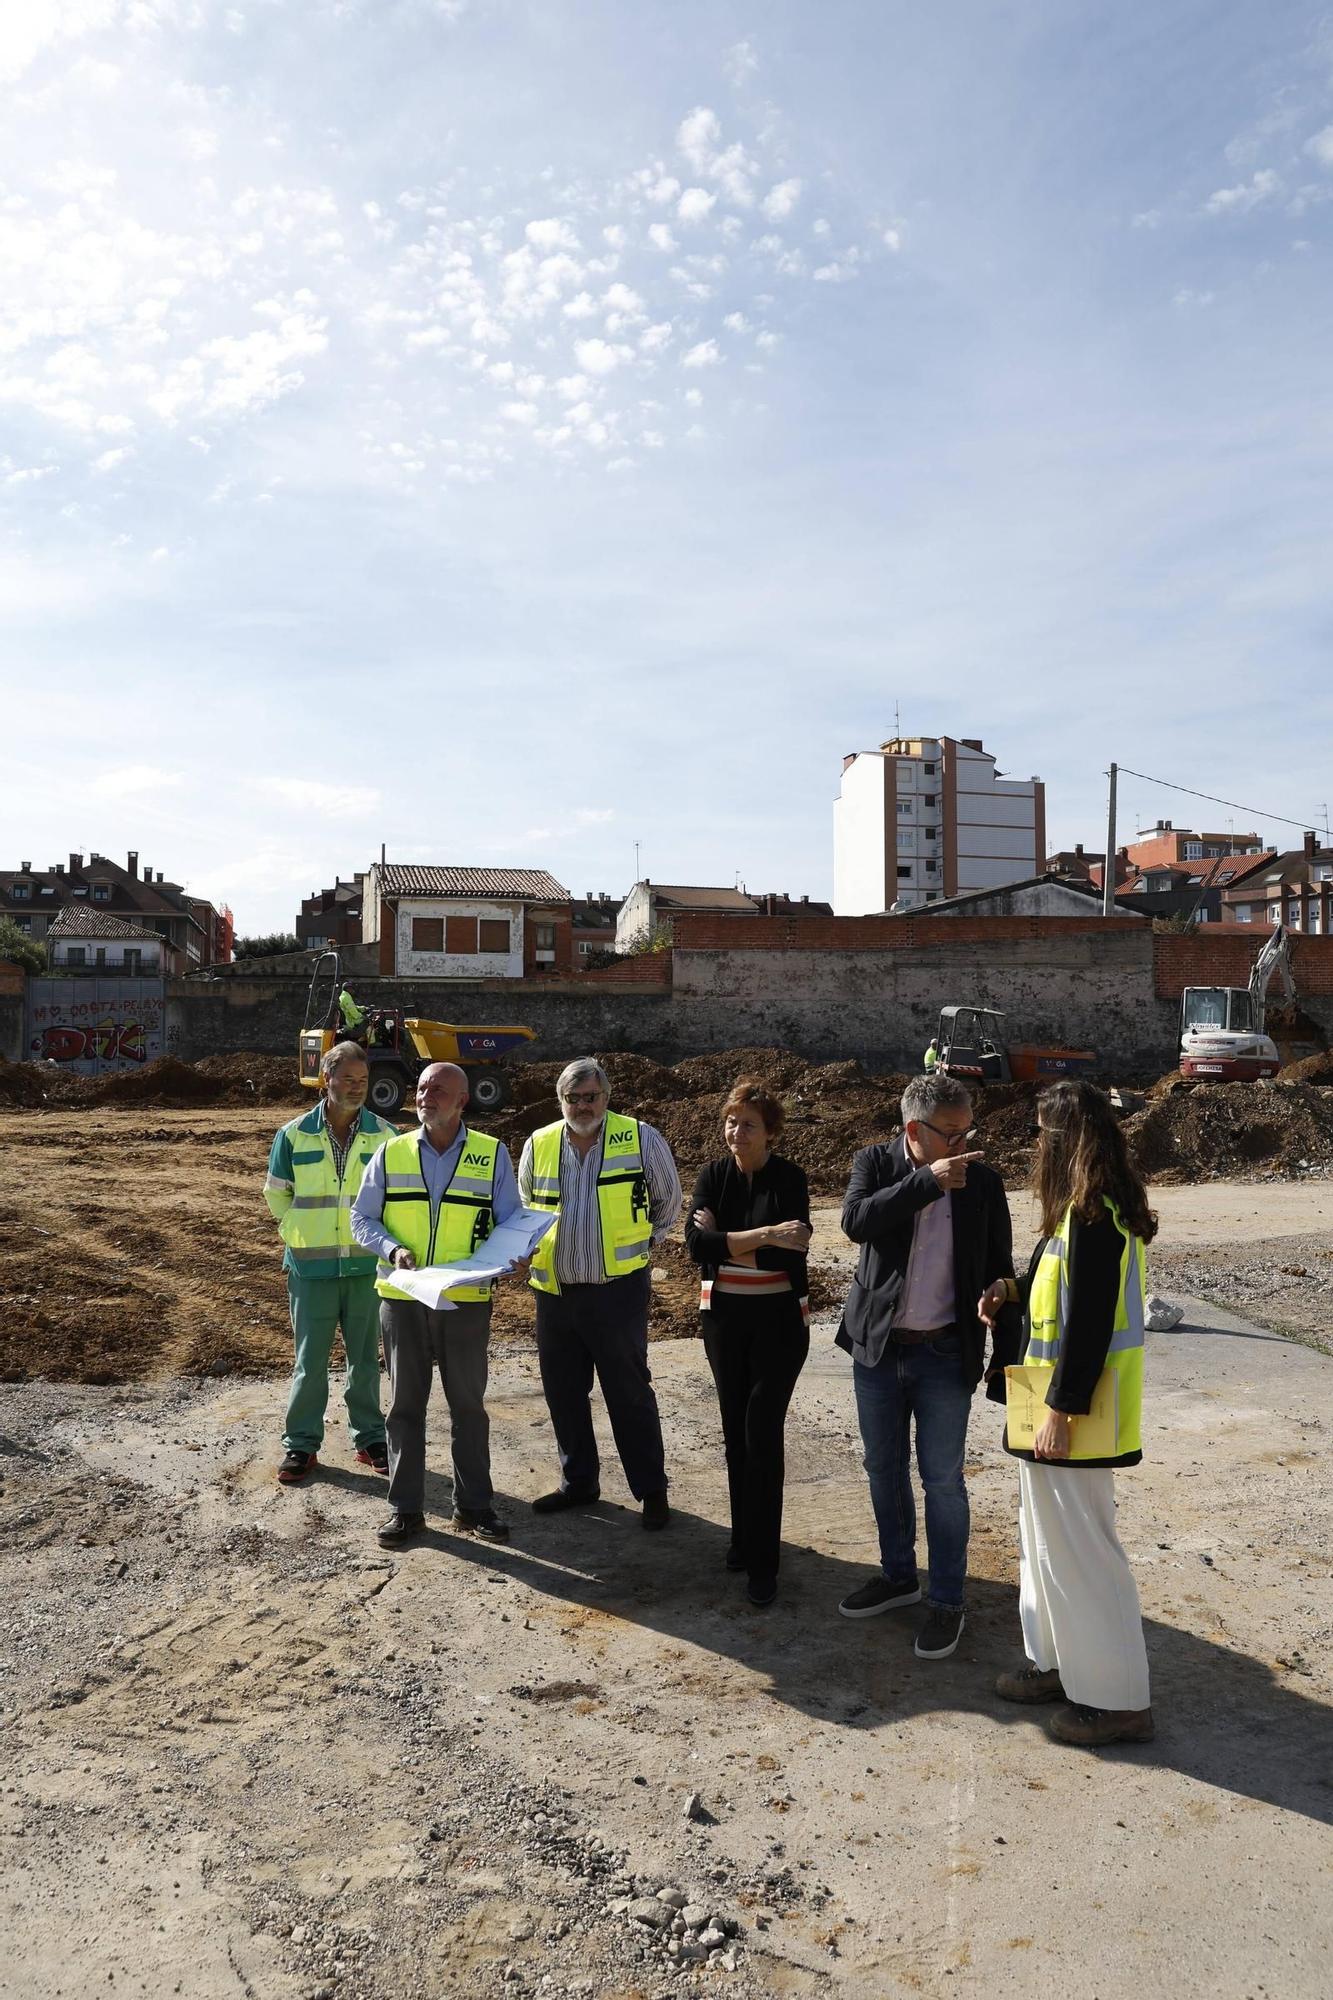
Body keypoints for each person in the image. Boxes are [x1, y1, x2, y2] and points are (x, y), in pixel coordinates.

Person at [980, 1078, 1157, 1745]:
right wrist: (1008, 1290)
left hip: (1073, 1418)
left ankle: (1117, 1700)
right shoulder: (1071, 1218)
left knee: (1084, 1553)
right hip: (1048, 1413)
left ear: (1062, 1140)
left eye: (1038, 1132)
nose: (1032, 1144)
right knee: (1043, 1545)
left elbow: (1085, 1326)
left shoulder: (1096, 1218)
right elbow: (1050, 1290)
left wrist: (1061, 1409)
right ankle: (1057, 1664)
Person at [836, 1071, 1021, 1658]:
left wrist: (1002, 1353)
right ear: (914, 1131)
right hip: (879, 1348)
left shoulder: (984, 1184)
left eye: (968, 1131)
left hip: (945, 1352)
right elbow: (855, 1223)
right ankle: (897, 1576)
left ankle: (946, 1601)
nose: (963, 1145)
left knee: (942, 1481)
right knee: (882, 1468)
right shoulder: (875, 1163)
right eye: (951, 1134)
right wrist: (925, 1183)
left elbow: (1002, 1269)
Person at [351, 1060, 521, 1547]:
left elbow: (510, 1223)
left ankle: (474, 1507)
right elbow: (361, 1218)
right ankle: (406, 1510)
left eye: (439, 1089)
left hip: (465, 1300)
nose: (426, 1095)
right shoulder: (391, 1152)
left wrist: (516, 1256)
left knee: (469, 1406)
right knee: (405, 1406)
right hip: (403, 1298)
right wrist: (392, 1250)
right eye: (422, 1087)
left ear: (463, 1100)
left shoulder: (492, 1154)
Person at [517, 1057, 682, 1527]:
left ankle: (651, 1491)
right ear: (560, 1101)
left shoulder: (639, 1137)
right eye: (572, 1098)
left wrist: (641, 1246)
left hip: (618, 1292)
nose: (582, 1105)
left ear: (606, 1097)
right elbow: (526, 1208)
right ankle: (579, 1482)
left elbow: (668, 1201)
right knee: (564, 1394)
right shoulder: (539, 1143)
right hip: (555, 1292)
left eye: (590, 1096)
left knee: (629, 1393)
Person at [684, 1080, 812, 1606]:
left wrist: (730, 1240)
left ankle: (765, 1563)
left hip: (780, 1323)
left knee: (762, 1430)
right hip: (725, 1322)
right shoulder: (713, 1176)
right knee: (735, 1431)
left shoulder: (790, 1179)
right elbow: (697, 1247)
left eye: (749, 1124)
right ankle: (742, 1539)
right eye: (732, 1121)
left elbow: (793, 1255)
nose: (738, 1131)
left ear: (771, 1132)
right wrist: (764, 1236)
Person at [264, 1042, 398, 1486]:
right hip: (311, 1269)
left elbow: (397, 1199)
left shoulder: (385, 1135)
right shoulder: (294, 1134)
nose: (357, 1088)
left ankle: (370, 1438)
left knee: (365, 1360)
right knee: (310, 1361)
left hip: (364, 1268)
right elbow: (276, 1194)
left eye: (363, 1081)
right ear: (327, 1080)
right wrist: (298, 1231)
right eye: (348, 1079)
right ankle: (301, 1444)